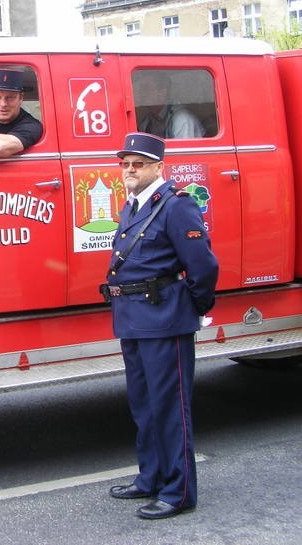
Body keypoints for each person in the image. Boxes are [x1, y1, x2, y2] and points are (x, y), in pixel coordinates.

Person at [101, 132, 218, 520]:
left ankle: (178, 490)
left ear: (157, 167)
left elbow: (203, 266)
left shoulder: (175, 206)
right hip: (133, 318)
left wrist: (193, 308)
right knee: (144, 406)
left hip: (164, 318)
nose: (129, 170)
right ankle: (150, 477)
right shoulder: (132, 206)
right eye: (125, 164)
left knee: (170, 409)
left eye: (138, 164)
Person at [136, 71, 204, 139]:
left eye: (146, 89)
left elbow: (183, 148)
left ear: (162, 92)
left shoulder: (181, 118)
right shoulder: (148, 120)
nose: (141, 94)